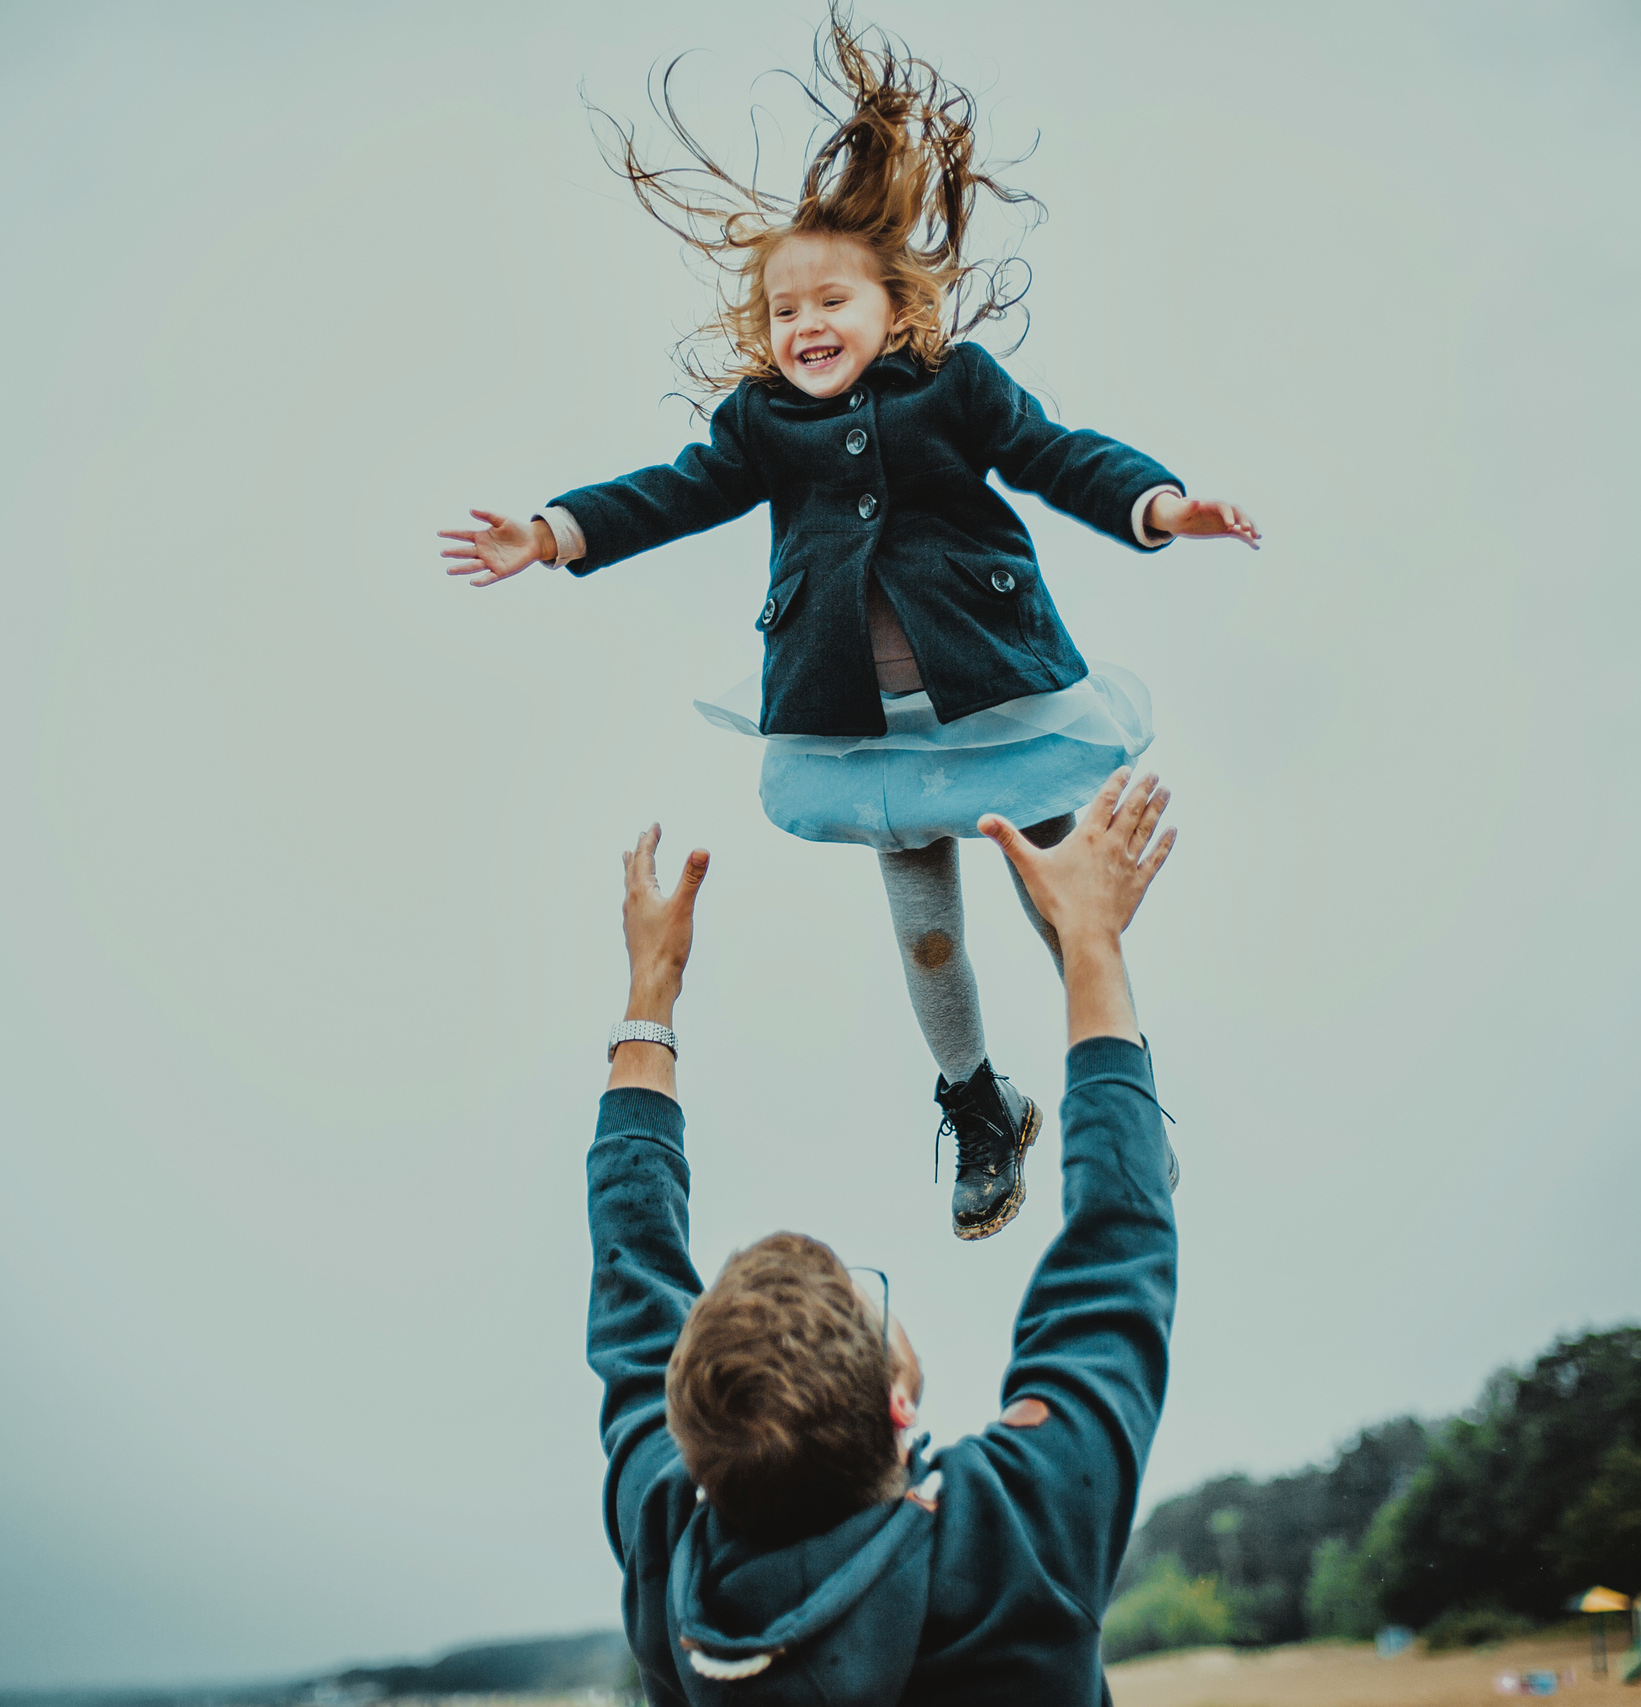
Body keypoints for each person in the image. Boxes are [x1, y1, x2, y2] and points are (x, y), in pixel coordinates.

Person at [442, 13, 1256, 1240]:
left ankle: (1121, 1091)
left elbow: (1055, 454)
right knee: (924, 932)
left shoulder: (957, 388)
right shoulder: (763, 425)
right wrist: (553, 532)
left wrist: (1156, 502)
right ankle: (980, 1105)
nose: (803, 325)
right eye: (783, 312)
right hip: (858, 723)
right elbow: (670, 491)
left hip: (1000, 691)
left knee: (1058, 896)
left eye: (831, 299)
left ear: (893, 306)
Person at [587, 768, 1181, 1704]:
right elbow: (1119, 1249)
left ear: (688, 1441)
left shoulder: (680, 1601)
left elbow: (631, 1272)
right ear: (899, 1409)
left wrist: (648, 987)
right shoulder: (1015, 1539)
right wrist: (1091, 936)